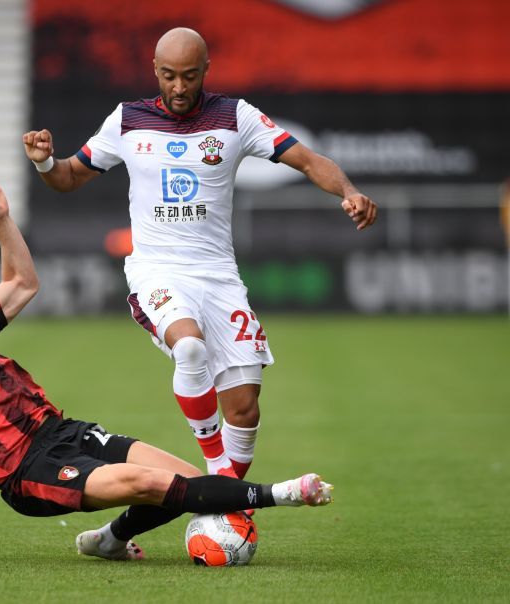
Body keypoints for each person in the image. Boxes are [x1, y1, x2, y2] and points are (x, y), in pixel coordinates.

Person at [0, 164, 333, 567]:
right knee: (149, 486)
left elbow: (22, 283)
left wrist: (2, 217)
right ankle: (286, 493)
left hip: (67, 433)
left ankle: (108, 540)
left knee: (181, 478)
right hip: (28, 473)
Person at [22, 27, 377, 481]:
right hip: (157, 270)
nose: (178, 87)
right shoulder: (127, 120)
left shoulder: (236, 117)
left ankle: (216, 503)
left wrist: (348, 191)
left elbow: (307, 160)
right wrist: (45, 162)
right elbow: (70, 176)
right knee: (189, 347)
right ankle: (213, 468)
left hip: (218, 276)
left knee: (245, 410)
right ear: (155, 70)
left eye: (189, 76)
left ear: (206, 70)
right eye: (168, 75)